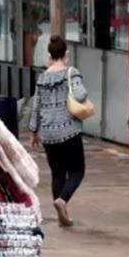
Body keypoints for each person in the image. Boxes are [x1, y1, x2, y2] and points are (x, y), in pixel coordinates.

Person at [27, 35, 89, 228]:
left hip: (48, 133)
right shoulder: (71, 73)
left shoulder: (42, 78)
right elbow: (80, 95)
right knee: (77, 171)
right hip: (69, 130)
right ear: (66, 53)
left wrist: (33, 130)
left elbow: (35, 105)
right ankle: (62, 200)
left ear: (50, 54)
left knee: (58, 173)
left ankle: (63, 213)